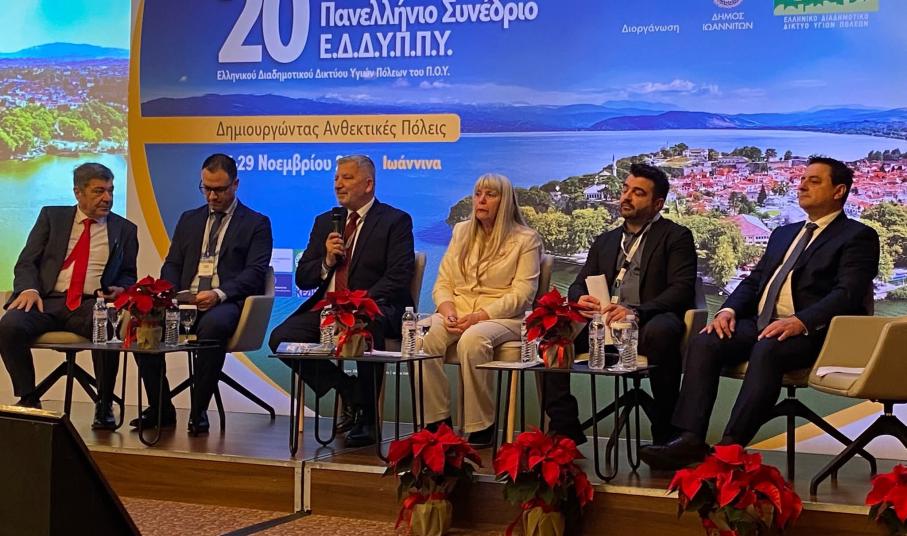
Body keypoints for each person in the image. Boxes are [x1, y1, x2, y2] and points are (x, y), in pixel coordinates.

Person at [640, 156, 881, 470]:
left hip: (817, 334)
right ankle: (689, 439)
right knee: (706, 340)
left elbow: (847, 294)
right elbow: (754, 281)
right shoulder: (784, 233)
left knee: (768, 348)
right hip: (762, 323)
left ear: (839, 191)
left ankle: (729, 449)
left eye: (814, 181)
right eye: (802, 179)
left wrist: (801, 321)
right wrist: (727, 310)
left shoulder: (857, 236)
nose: (802, 185)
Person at [544, 163, 697, 445]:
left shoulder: (676, 237)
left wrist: (636, 311)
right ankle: (564, 427)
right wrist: (580, 298)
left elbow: (681, 290)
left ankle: (666, 435)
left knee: (664, 330)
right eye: (625, 189)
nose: (626, 197)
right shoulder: (605, 240)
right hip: (602, 321)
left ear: (657, 203)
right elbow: (577, 285)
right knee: (553, 332)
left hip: (647, 321)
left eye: (638, 193)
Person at [269, 154, 415, 448]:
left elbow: (399, 275)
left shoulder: (394, 221)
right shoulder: (326, 222)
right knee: (281, 338)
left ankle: (368, 419)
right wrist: (326, 260)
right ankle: (349, 389)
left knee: (366, 327)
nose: (338, 184)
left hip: (375, 307)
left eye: (347, 178)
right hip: (328, 310)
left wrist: (359, 303)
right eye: (336, 178)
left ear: (368, 184)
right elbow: (304, 278)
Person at [132, 153, 272, 434]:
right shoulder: (189, 219)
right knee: (143, 326)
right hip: (186, 299)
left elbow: (255, 273)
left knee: (213, 326)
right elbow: (172, 263)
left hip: (226, 302)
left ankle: (198, 411)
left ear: (235, 185)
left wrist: (219, 294)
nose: (211, 196)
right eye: (206, 188)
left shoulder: (256, 223)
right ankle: (161, 407)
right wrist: (174, 294)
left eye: (219, 189)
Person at [0, 162, 137, 429]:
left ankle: (104, 403)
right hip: (46, 300)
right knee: (9, 326)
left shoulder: (125, 229)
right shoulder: (52, 217)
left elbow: (128, 274)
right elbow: (27, 262)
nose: (107, 198)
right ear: (78, 192)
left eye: (110, 190)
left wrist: (121, 288)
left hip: (90, 303)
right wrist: (29, 289)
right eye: (98, 191)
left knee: (106, 326)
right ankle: (29, 399)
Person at [419, 173, 542, 445]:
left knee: (473, 339)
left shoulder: (526, 239)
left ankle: (481, 424)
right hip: (458, 310)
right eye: (478, 194)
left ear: (505, 201)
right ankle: (437, 421)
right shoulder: (461, 231)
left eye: (490, 194)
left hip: (503, 318)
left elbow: (523, 295)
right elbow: (443, 282)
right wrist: (448, 310)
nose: (481, 200)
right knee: (423, 335)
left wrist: (479, 316)